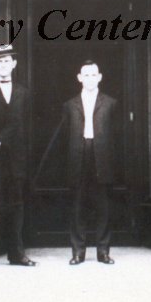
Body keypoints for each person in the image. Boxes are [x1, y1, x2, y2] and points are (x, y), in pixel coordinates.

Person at [0, 44, 37, 267]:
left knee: (17, 204)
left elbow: (25, 125)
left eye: (7, 61)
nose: (4, 65)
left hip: (17, 158)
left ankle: (17, 253)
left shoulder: (24, 92)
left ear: (14, 64)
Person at [64, 60, 118, 266]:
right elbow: (65, 136)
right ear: (79, 78)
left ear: (100, 77)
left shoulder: (111, 103)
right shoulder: (70, 105)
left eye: (93, 74)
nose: (89, 78)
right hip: (78, 156)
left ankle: (103, 251)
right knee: (77, 205)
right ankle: (78, 252)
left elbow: (116, 135)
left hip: (102, 158)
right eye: (85, 75)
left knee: (103, 206)